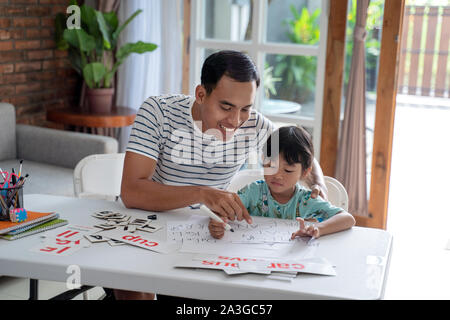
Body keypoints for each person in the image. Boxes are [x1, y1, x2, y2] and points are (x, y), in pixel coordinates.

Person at [117, 50, 328, 300]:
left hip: (206, 232)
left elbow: (301, 154)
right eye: (226, 107)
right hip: (149, 222)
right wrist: (201, 194)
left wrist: (320, 186)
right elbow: (131, 192)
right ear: (201, 94)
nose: (235, 121)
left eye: (245, 109)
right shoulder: (159, 112)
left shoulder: (254, 125)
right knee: (129, 280)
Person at [208, 126, 355, 240]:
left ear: (304, 172)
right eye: (270, 166)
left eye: (288, 170)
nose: (277, 175)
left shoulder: (306, 201)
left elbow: (347, 219)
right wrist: (217, 222)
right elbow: (222, 210)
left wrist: (318, 229)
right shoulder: (253, 192)